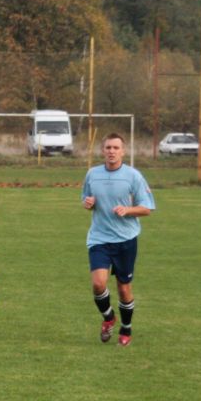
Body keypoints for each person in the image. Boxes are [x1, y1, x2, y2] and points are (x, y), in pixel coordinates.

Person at [82, 133, 155, 347]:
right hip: (99, 238)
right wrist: (89, 203)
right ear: (102, 151)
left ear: (123, 151)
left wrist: (128, 210)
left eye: (116, 148)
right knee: (98, 284)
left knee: (124, 289)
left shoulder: (133, 176)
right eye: (108, 148)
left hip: (126, 239)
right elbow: (86, 199)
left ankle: (126, 328)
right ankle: (108, 318)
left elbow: (147, 208)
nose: (111, 151)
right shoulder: (92, 174)